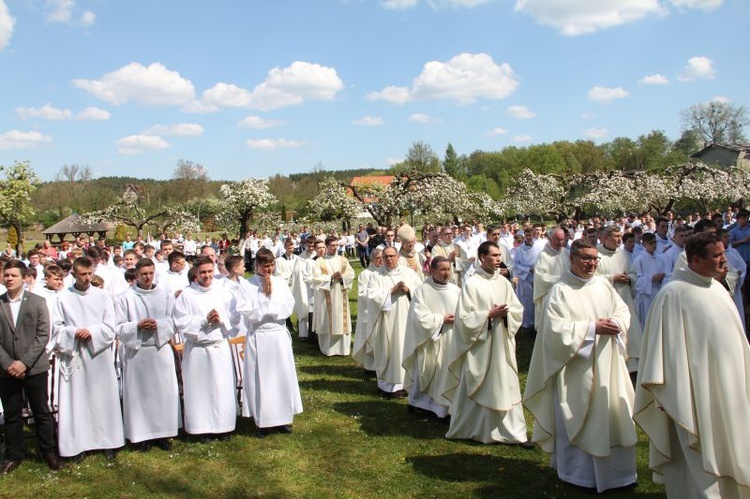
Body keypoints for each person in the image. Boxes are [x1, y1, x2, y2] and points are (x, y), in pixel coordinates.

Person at [635, 232, 750, 497]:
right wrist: (667, 393)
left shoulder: (717, 289)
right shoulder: (673, 295)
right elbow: (661, 352)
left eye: (723, 253)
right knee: (696, 465)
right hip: (692, 396)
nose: (724, 260)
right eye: (717, 255)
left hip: (729, 389)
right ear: (695, 260)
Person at [524, 239, 637, 492]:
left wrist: (616, 323)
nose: (591, 264)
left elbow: (622, 310)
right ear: (572, 259)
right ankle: (579, 475)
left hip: (608, 364)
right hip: (576, 369)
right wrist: (592, 329)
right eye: (586, 258)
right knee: (578, 418)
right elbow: (554, 331)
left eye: (595, 259)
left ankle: (618, 475)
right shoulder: (560, 291)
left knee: (613, 416)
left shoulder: (604, 286)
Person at [444, 241, 531, 446]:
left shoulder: (503, 282)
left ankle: (513, 432)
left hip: (502, 341)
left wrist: (507, 314)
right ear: (482, 257)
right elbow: (464, 318)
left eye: (500, 255)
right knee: (479, 382)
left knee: (505, 382)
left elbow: (517, 309)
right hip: (481, 346)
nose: (499, 259)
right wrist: (488, 315)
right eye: (494, 255)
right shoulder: (472, 284)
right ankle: (474, 428)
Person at [50, 257, 124, 459]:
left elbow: (110, 326)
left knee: (103, 398)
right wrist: (74, 332)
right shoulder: (63, 297)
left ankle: (108, 441)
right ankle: (78, 444)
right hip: (74, 354)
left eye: (90, 273)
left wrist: (92, 332)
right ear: (73, 274)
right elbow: (56, 328)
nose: (87, 278)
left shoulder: (102, 296)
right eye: (82, 274)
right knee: (78, 400)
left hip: (97, 354)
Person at [0, 260, 62, 473]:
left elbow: (44, 334)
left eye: (13, 275)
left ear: (25, 278)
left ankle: (48, 451)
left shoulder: (37, 302)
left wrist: (24, 362)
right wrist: (9, 363)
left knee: (41, 411)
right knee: (12, 413)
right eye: (6, 275)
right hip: (6, 369)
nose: (8, 279)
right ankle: (14, 454)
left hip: (34, 367)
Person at [235, 248, 303, 437]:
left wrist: (271, 302)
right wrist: (264, 296)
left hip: (277, 334)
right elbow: (248, 311)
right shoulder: (248, 285)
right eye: (265, 266)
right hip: (260, 335)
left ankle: (282, 418)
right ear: (256, 265)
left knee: (281, 376)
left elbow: (288, 306)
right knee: (261, 378)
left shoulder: (280, 283)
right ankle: (263, 421)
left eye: (271, 265)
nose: (269, 270)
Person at [115, 258, 179, 451]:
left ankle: (163, 434)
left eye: (151, 273)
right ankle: (141, 436)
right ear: (136, 275)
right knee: (140, 395)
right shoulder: (126, 297)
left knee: (162, 394)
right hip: (138, 352)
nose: (148, 277)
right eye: (144, 274)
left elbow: (173, 320)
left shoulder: (165, 295)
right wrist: (137, 325)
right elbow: (118, 326)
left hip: (159, 349)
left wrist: (159, 325)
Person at [172, 256, 238, 442]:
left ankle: (223, 426)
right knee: (200, 390)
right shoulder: (187, 295)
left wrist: (221, 319)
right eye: (203, 272)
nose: (207, 275)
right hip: (198, 349)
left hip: (218, 347)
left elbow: (235, 316)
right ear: (196, 274)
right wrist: (204, 320)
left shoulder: (223, 292)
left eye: (210, 271)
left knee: (221, 388)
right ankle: (202, 428)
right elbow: (181, 321)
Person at [402, 256, 459, 419]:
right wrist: (441, 319)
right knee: (429, 371)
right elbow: (418, 317)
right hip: (429, 340)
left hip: (451, 339)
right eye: (442, 269)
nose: (446, 273)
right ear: (432, 271)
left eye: (448, 269)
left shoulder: (456, 290)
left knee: (446, 372)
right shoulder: (422, 291)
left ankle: (445, 408)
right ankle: (422, 404)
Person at [365, 245, 422, 397]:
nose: (389, 259)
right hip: (386, 321)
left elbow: (421, 291)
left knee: (405, 348)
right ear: (382, 259)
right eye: (386, 257)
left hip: (406, 320)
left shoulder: (409, 273)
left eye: (391, 256)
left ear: (397, 257)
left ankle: (407, 384)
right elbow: (371, 296)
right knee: (388, 350)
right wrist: (390, 291)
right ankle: (388, 385)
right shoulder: (376, 276)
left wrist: (408, 290)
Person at [596, 225, 643, 382]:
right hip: (607, 302)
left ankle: (632, 366)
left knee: (631, 332)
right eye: (615, 236)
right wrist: (612, 278)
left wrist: (629, 278)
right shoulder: (597, 255)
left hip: (625, 298)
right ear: (606, 238)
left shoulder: (622, 254)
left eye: (619, 236)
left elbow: (633, 273)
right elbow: (592, 279)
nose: (618, 240)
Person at [312, 236, 355, 356]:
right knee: (327, 320)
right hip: (326, 296)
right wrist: (330, 278)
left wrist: (342, 277)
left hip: (341, 294)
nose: (335, 247)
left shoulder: (343, 260)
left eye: (337, 245)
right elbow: (315, 279)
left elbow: (351, 274)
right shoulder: (320, 261)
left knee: (341, 319)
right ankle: (328, 349)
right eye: (332, 245)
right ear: (326, 246)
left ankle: (343, 349)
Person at [352, 248, 383, 373]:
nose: (381, 261)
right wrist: (380, 296)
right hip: (370, 312)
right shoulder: (365, 274)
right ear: (372, 259)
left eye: (382, 258)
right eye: (378, 258)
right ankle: (370, 367)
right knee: (370, 339)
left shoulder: (385, 273)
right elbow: (362, 293)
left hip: (383, 311)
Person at [532, 227, 569, 333]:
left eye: (562, 240)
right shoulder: (543, 256)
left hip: (566, 293)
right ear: (550, 239)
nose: (560, 243)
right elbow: (541, 277)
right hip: (549, 294)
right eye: (557, 240)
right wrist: (561, 279)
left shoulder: (565, 253)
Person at [633, 233, 667, 327]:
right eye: (651, 243)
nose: (654, 245)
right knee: (647, 323)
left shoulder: (661, 259)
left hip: (658, 292)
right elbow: (636, 282)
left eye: (655, 242)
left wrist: (661, 279)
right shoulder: (639, 260)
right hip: (645, 297)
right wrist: (651, 279)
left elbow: (667, 275)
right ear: (644, 244)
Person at [513, 229, 540, 331]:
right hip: (525, 279)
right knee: (526, 301)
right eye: (527, 235)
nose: (529, 237)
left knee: (535, 301)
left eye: (530, 235)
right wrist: (528, 270)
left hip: (536, 277)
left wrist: (537, 269)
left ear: (533, 235)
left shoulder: (538, 247)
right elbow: (516, 265)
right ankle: (526, 323)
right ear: (524, 236)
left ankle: (536, 322)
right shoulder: (520, 250)